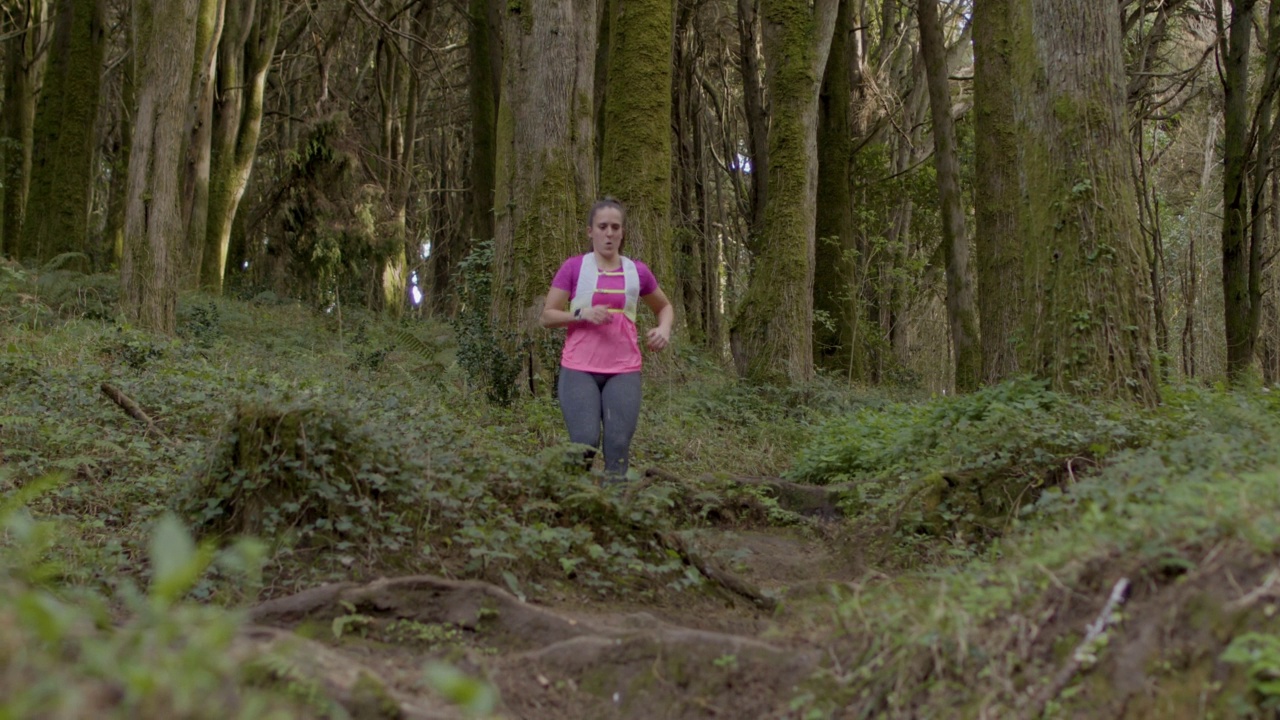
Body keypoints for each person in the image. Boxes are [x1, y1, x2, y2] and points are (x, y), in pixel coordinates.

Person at [539, 198, 674, 482]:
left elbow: (664, 307)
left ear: (623, 232)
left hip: (623, 370)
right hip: (579, 368)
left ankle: (613, 512)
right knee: (584, 442)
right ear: (590, 232)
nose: (609, 233)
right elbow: (547, 316)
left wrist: (664, 329)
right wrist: (581, 313)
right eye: (602, 227)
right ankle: (574, 504)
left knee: (618, 446)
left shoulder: (637, 272)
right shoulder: (574, 268)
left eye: (615, 227)